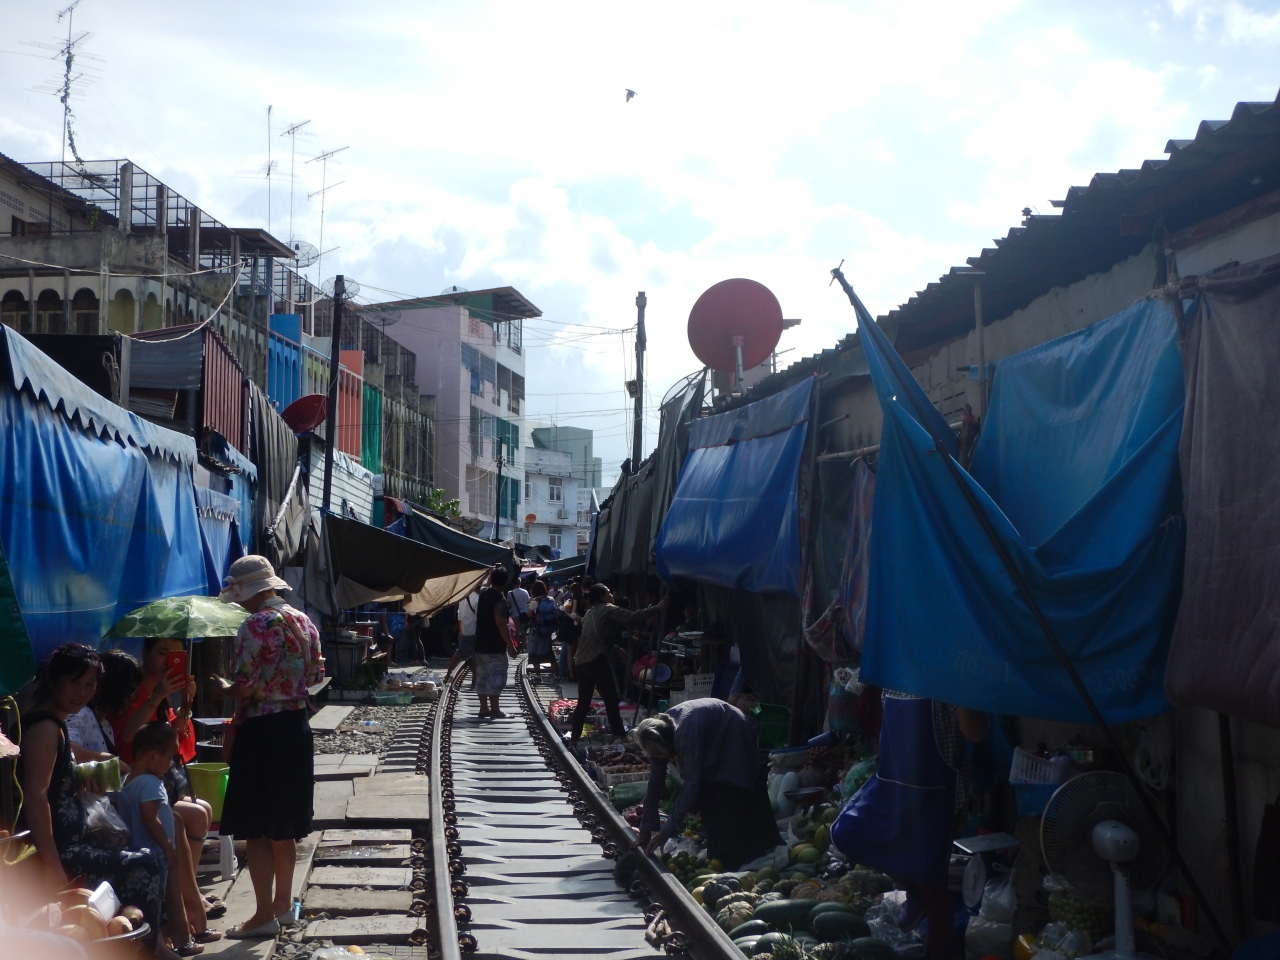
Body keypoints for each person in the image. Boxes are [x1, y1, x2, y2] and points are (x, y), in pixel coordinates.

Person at [18, 645, 168, 946]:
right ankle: (150, 950)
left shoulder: (57, 724)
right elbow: (35, 797)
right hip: (61, 848)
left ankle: (152, 942)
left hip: (75, 838)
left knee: (136, 846)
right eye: (74, 682)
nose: (82, 693)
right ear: (54, 680)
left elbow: (55, 783)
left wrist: (83, 780)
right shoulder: (45, 727)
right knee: (147, 862)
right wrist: (51, 865)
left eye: (89, 685)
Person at [830, 691, 988, 960]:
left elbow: (976, 733)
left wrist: (965, 691)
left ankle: (940, 952)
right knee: (845, 833)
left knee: (933, 886)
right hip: (895, 789)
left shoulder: (949, 681)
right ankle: (915, 890)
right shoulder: (894, 680)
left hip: (935, 795)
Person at [213, 555, 323, 939]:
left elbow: (245, 687)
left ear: (249, 592)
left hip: (261, 731)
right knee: (284, 825)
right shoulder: (303, 621)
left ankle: (262, 916)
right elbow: (316, 675)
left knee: (256, 828)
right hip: (295, 727)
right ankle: (282, 906)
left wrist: (226, 690)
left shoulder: (254, 626)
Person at [107, 637, 221, 932]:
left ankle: (187, 889)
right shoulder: (135, 692)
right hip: (136, 779)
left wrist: (187, 704)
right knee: (194, 815)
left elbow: (176, 737)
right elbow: (129, 736)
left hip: (160, 778)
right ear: (145, 653)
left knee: (204, 810)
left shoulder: (164, 692)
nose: (167, 661)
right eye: (162, 653)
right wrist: (157, 697)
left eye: (175, 655)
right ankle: (185, 899)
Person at [633, 700, 781, 870]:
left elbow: (692, 784)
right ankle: (731, 851)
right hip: (711, 736)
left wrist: (666, 830)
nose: (659, 758)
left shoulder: (684, 734)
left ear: (666, 743)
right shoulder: (658, 736)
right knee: (710, 804)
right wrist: (646, 828)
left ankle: (743, 856)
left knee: (732, 797)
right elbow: (655, 782)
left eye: (660, 754)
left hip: (733, 732)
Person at [119, 721, 215, 957]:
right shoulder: (151, 783)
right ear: (153, 756)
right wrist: (168, 847)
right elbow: (150, 818)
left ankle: (168, 939)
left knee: (154, 904)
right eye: (169, 757)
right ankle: (170, 942)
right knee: (164, 901)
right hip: (156, 853)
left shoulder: (127, 781)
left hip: (138, 853)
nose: (171, 763)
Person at [567, 584, 664, 743]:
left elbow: (596, 637)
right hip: (596, 660)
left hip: (581, 661)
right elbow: (633, 616)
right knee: (611, 699)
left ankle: (574, 738)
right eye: (608, 592)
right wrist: (658, 607)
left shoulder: (589, 613)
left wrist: (617, 649)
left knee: (583, 702)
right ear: (602, 596)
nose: (611, 595)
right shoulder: (607, 608)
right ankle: (619, 734)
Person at [67, 649, 142, 768]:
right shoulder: (81, 714)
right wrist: (110, 759)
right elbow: (68, 749)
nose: (133, 697)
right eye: (131, 689)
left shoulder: (106, 726)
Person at [473, 567, 518, 719]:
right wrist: (511, 645)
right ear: (506, 582)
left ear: (491, 580)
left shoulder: (483, 594)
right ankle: (495, 709)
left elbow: (482, 585)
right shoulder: (500, 600)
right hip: (495, 646)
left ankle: (483, 708)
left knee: (482, 677)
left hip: (480, 643)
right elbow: (501, 624)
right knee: (496, 677)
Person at [448, 581, 483, 690]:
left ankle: (448, 674)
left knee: (458, 653)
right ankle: (474, 682)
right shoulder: (477, 599)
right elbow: (478, 618)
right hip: (475, 631)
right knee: (475, 656)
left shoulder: (463, 598)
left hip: (465, 630)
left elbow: (459, 615)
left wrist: (461, 630)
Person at [526, 581, 559, 681]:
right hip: (548, 630)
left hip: (537, 630)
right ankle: (556, 675)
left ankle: (538, 675)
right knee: (549, 652)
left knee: (534, 652)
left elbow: (529, 615)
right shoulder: (551, 599)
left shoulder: (535, 602)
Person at [507, 578, 531, 650]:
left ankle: (517, 647)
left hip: (515, 614)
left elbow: (508, 603)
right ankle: (523, 647)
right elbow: (528, 601)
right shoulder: (525, 592)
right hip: (524, 614)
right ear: (520, 583)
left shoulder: (510, 593)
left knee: (516, 632)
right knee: (524, 632)